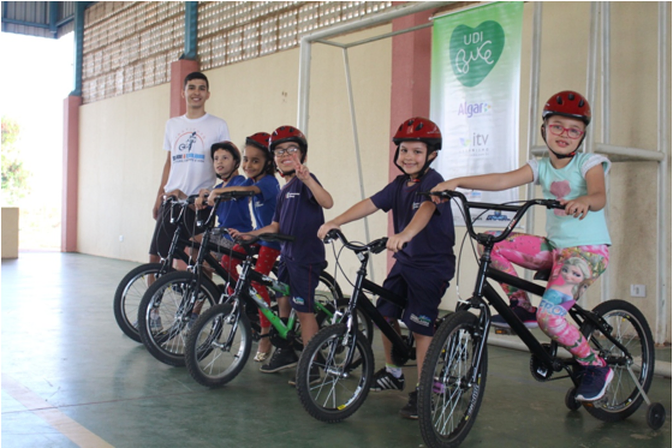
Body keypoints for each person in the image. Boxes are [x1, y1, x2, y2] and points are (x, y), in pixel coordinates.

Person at [431, 90, 613, 402]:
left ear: (582, 136)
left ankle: (595, 365)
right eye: (557, 126)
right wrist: (457, 181)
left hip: (587, 251)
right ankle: (521, 306)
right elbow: (502, 180)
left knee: (552, 316)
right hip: (554, 247)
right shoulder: (541, 166)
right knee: (493, 244)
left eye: (573, 130)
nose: (564, 134)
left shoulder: (589, 162)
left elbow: (598, 194)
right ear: (544, 129)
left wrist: (585, 200)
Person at [318, 117, 456, 419]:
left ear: (431, 155)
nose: (409, 157)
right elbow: (370, 203)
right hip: (405, 263)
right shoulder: (398, 185)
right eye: (404, 150)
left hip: (431, 266)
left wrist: (405, 234)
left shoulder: (434, 182)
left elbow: (428, 209)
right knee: (384, 313)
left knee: (421, 326)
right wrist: (335, 221)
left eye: (417, 151)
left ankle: (426, 388)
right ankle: (394, 371)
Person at [230, 126, 333, 381]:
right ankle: (287, 347)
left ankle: (314, 367)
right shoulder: (284, 190)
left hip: (306, 256)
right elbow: (275, 226)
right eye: (279, 151)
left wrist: (308, 178)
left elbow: (327, 202)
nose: (285, 154)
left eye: (292, 149)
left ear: (303, 155)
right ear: (273, 159)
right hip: (287, 255)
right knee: (282, 296)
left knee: (304, 310)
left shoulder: (306, 181)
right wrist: (251, 235)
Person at [205, 132, 281, 361]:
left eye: (255, 161)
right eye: (246, 159)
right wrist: (209, 192)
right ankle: (243, 301)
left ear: (268, 163)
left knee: (258, 281)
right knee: (227, 261)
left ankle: (266, 335)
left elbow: (243, 191)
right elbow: (232, 187)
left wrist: (217, 191)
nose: (248, 165)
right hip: (257, 237)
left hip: (273, 239)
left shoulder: (267, 183)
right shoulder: (253, 180)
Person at [149, 71, 230, 266]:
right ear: (183, 93)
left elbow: (225, 162)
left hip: (200, 200)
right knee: (157, 254)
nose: (197, 92)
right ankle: (152, 296)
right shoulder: (172, 125)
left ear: (208, 94)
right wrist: (160, 194)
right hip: (173, 198)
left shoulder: (218, 125)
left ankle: (201, 296)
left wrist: (215, 192)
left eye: (202, 88)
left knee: (200, 257)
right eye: (191, 87)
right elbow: (169, 161)